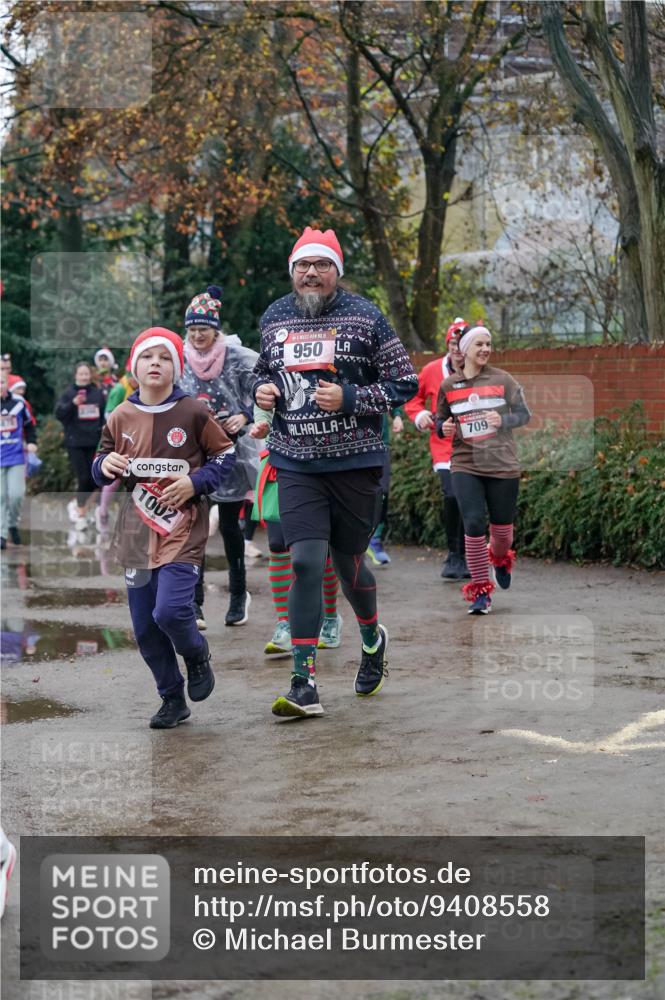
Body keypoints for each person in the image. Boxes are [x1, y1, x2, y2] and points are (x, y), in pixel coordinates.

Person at [253, 226, 418, 718]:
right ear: (293, 273)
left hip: (355, 462)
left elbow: (403, 382)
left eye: (321, 265)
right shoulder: (275, 316)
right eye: (302, 265)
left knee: (347, 565)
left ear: (335, 272)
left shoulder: (365, 316)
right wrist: (261, 392)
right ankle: (303, 683)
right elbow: (263, 372)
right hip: (294, 458)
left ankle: (371, 638)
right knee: (305, 561)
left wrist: (351, 397)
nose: (311, 272)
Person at [92, 326, 236, 729]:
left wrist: (194, 482)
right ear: (133, 367)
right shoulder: (120, 415)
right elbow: (100, 461)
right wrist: (104, 466)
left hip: (182, 527)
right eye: (148, 357)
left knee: (171, 611)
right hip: (136, 532)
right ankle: (172, 698)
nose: (156, 363)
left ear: (178, 367)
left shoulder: (193, 411)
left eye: (165, 357)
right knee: (144, 625)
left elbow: (225, 457)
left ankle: (196, 653)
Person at [179, 285, 261, 627]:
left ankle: (239, 595)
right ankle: (195, 603)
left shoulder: (238, 356)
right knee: (195, 523)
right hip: (193, 453)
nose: (198, 335)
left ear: (216, 330)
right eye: (193, 329)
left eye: (204, 329)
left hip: (231, 450)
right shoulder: (179, 357)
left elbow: (266, 386)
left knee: (228, 525)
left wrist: (245, 414)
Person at [435, 324, 530, 614]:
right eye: (480, 344)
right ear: (465, 350)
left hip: (502, 464)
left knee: (502, 535)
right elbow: (441, 421)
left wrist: (501, 421)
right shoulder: (450, 385)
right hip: (465, 464)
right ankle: (480, 592)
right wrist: (444, 427)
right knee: (474, 524)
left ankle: (500, 559)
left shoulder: (504, 380)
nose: (486, 349)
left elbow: (524, 415)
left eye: (488, 344)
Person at [404, 317, 470, 580]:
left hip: (473, 447)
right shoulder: (432, 370)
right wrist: (419, 415)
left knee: (469, 499)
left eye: (461, 344)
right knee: (453, 494)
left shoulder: (478, 371)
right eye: (452, 343)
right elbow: (413, 397)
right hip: (443, 446)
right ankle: (454, 554)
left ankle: (469, 555)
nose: (456, 349)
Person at [55, 362, 105, 529]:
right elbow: (60, 414)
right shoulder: (69, 393)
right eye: (81, 374)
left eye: (86, 374)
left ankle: (78, 504)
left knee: (95, 480)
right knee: (83, 477)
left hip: (94, 442)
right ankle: (81, 512)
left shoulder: (98, 394)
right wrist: (73, 403)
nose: (84, 376)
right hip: (75, 442)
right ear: (75, 375)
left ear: (90, 375)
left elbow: (103, 417)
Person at [1, 371, 37, 549]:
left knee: (16, 494)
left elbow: (29, 426)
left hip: (15, 456)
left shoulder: (19, 403)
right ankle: (1, 534)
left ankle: (12, 524)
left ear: (7, 384)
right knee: (0, 496)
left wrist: (31, 443)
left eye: (1, 382)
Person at [366, 409, 403, 566]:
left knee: (382, 492)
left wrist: (397, 415)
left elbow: (388, 389)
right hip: (350, 443)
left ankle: (375, 540)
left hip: (380, 442)